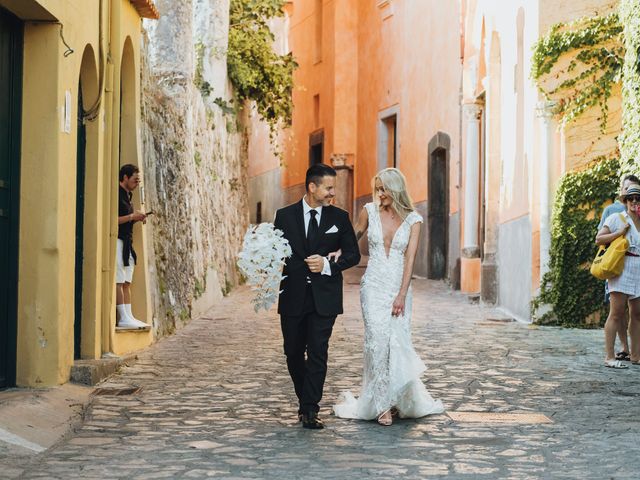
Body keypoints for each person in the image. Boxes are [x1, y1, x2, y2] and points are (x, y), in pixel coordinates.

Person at [333, 167, 444, 425]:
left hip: (398, 287)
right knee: (377, 341)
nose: (379, 193)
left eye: (383, 189)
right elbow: (353, 235)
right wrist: (335, 250)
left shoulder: (414, 220)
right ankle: (381, 404)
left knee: (397, 343)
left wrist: (402, 295)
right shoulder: (369, 211)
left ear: (395, 189)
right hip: (372, 285)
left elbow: (410, 259)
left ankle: (395, 399)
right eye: (378, 188)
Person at [274, 163, 361, 429]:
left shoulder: (340, 217)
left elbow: (353, 255)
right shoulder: (284, 216)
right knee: (292, 353)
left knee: (318, 353)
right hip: (293, 297)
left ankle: (310, 409)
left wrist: (327, 265)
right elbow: (275, 252)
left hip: (325, 298)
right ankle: (305, 399)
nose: (332, 193)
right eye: (329, 187)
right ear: (312, 187)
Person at [595, 183, 640, 369]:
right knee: (617, 313)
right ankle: (609, 357)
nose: (634, 201)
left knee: (637, 314)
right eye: (631, 198)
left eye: (638, 199)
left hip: (639, 268)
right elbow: (599, 239)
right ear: (625, 200)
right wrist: (619, 233)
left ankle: (636, 356)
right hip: (621, 267)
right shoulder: (617, 218)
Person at [116, 164, 148, 329]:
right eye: (135, 180)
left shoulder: (128, 196)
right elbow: (112, 220)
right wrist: (131, 216)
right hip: (119, 241)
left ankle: (129, 316)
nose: (137, 183)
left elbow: (127, 217)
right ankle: (122, 317)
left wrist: (137, 217)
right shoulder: (116, 195)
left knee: (127, 281)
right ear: (125, 178)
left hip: (128, 243)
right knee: (119, 281)